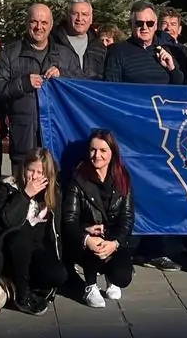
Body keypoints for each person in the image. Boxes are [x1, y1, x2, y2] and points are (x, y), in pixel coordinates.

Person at [0, 149, 67, 316]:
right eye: (31, 170)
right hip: (12, 250)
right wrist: (25, 195)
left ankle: (16, 285)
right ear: (24, 169)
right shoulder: (8, 188)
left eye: (40, 172)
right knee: (22, 236)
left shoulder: (53, 193)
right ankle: (21, 295)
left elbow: (56, 232)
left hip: (37, 249)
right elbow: (4, 222)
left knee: (58, 275)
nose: (34, 176)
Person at [62, 129, 135, 307]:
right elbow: (69, 219)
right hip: (86, 239)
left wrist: (115, 243)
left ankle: (111, 278)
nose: (97, 155)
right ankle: (90, 285)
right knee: (92, 249)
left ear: (112, 153)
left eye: (103, 151)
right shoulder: (79, 179)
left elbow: (127, 218)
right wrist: (86, 237)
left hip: (112, 238)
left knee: (123, 277)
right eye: (93, 150)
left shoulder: (122, 177)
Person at [0, 4, 67, 161]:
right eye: (34, 21)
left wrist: (63, 75)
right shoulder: (11, 53)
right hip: (23, 141)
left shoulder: (64, 55)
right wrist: (23, 83)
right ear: (27, 23)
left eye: (44, 23)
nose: (39, 27)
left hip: (57, 141)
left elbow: (80, 86)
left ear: (51, 25)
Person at [102, 1, 186, 86]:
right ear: (131, 24)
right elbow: (111, 88)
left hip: (162, 99)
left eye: (150, 23)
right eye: (139, 23)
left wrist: (172, 68)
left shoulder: (165, 51)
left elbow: (179, 87)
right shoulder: (117, 51)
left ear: (156, 26)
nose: (144, 27)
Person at [54, 0, 108, 80]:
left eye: (84, 14)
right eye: (75, 14)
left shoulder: (99, 48)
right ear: (68, 16)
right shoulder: (53, 42)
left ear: (91, 19)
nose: (79, 19)